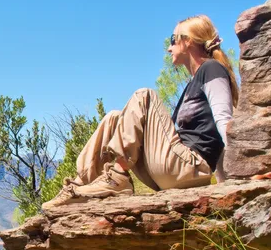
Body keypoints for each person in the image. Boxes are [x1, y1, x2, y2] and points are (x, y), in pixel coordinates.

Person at [42, 15, 239, 210]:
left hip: (190, 168)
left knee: (144, 95)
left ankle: (118, 176)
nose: (169, 48)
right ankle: (78, 186)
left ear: (187, 41)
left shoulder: (212, 69)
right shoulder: (191, 84)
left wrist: (240, 175)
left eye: (173, 40)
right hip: (172, 168)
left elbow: (224, 119)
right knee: (113, 118)